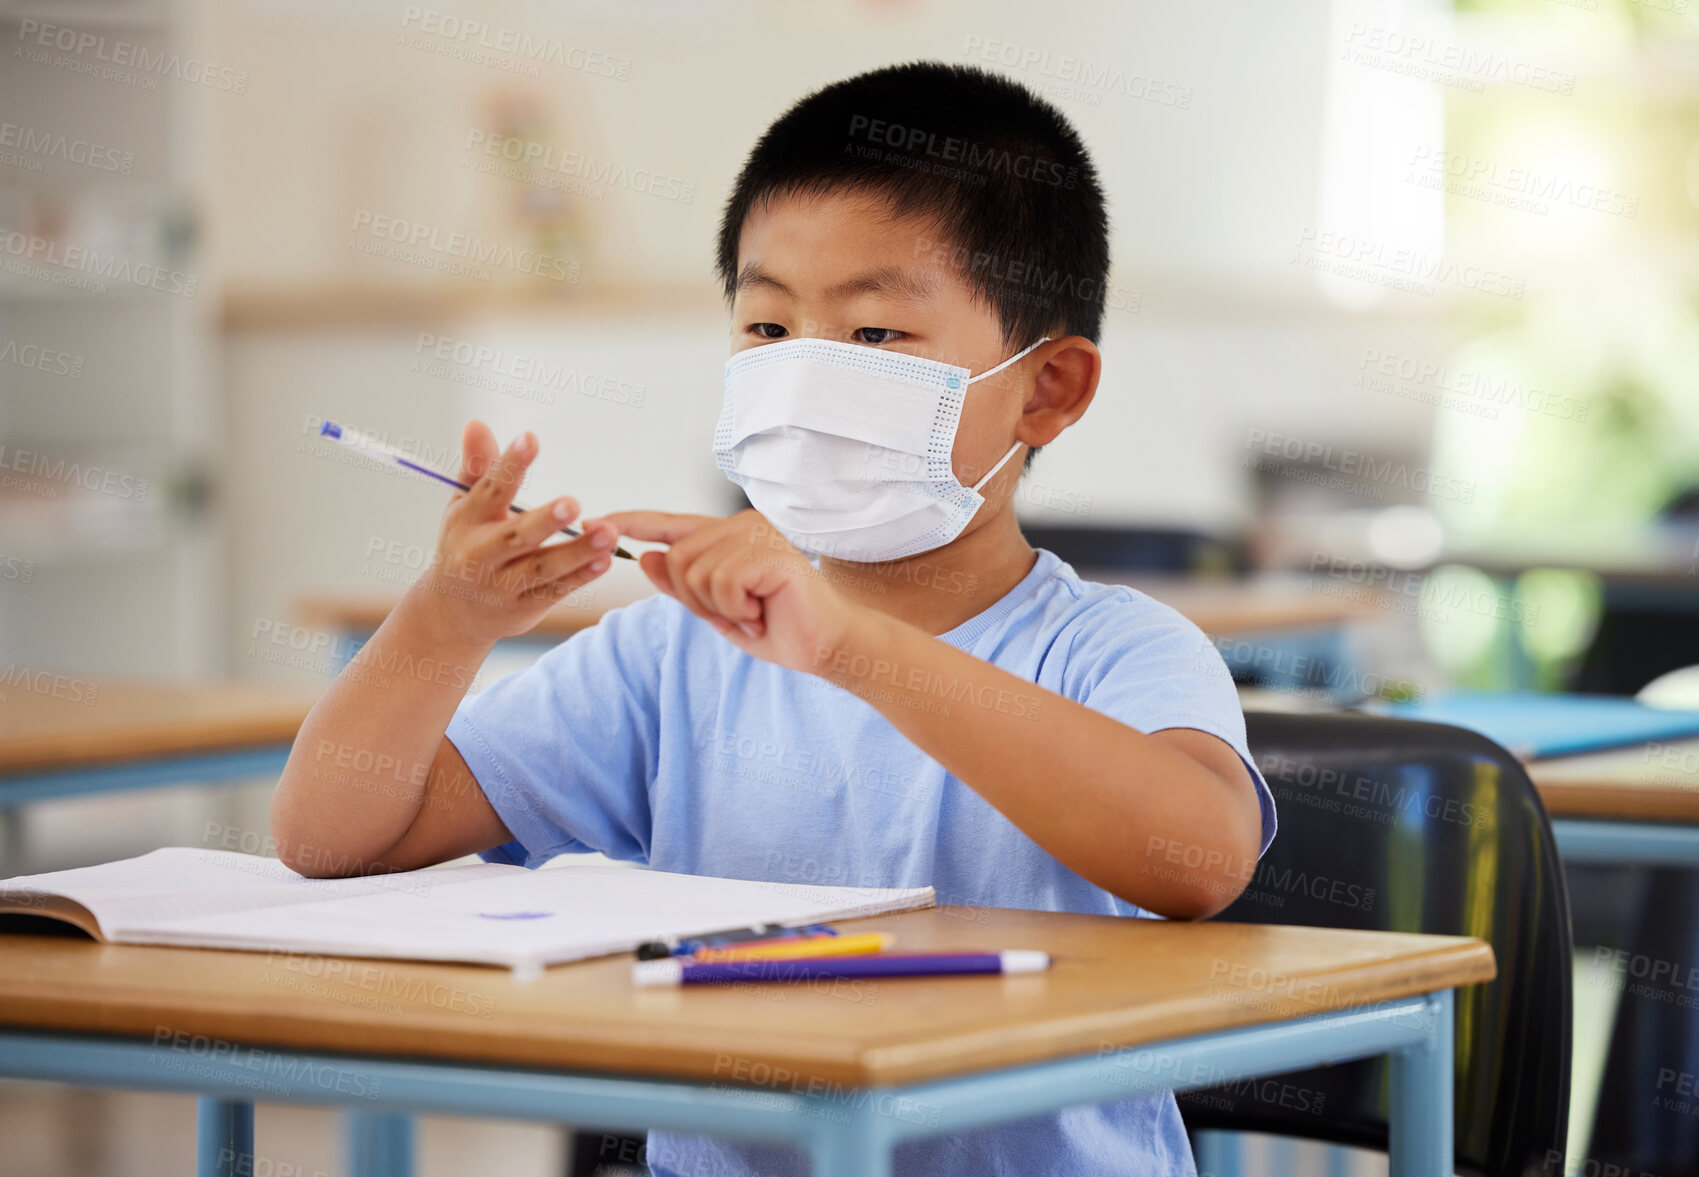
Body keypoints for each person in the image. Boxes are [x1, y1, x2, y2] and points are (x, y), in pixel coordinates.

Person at [271, 60, 1277, 1177]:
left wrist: (850, 647)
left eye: (875, 336)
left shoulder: (1114, 648)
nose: (802, 377)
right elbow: (329, 837)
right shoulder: (668, 656)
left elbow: (1199, 856)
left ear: (1048, 389)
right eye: (764, 327)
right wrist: (443, 620)